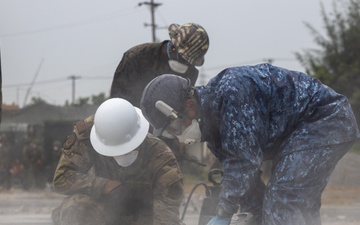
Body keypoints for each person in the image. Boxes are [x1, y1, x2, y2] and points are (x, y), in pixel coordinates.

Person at [139, 63, 360, 225]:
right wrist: (254, 214)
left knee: (284, 198)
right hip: (299, 133)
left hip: (324, 120)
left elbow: (244, 162)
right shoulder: (214, 133)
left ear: (189, 106)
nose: (178, 137)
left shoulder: (233, 93)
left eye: (175, 128)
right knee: (294, 204)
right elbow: (248, 183)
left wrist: (223, 214)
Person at [51, 98, 184, 225]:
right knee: (76, 207)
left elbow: (166, 217)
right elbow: (62, 179)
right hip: (105, 210)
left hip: (146, 215)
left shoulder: (162, 159)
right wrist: (103, 185)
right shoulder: (87, 134)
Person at [110, 23, 209, 166]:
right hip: (129, 129)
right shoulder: (136, 58)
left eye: (189, 62)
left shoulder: (190, 72)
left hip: (165, 133)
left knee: (169, 172)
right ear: (173, 47)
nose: (186, 65)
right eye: (183, 59)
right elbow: (116, 102)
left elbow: (183, 109)